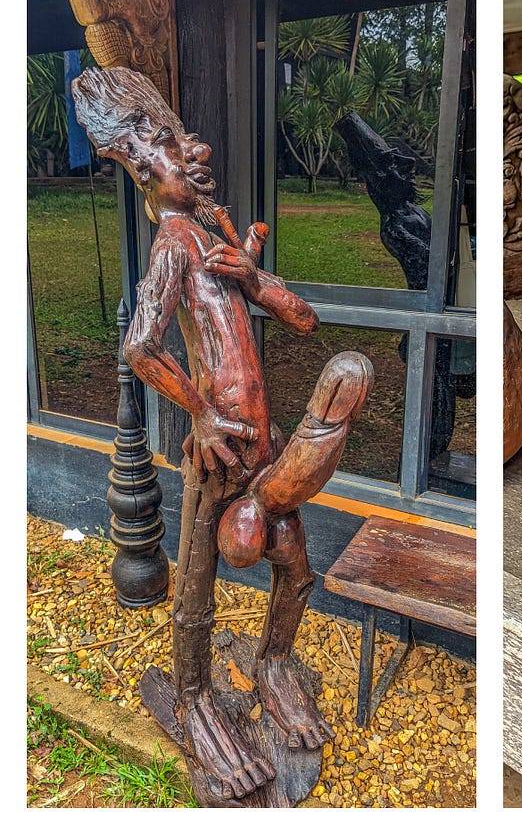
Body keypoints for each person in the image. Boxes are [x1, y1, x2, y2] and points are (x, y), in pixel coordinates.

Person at [71, 65, 373, 801]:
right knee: (199, 581)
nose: (196, 160)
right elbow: (139, 347)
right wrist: (199, 414)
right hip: (222, 453)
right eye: (175, 151)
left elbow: (304, 319)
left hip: (265, 450)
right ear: (147, 171)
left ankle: (274, 663)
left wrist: (254, 278)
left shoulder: (213, 236)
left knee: (292, 565)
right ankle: (198, 697)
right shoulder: (174, 241)